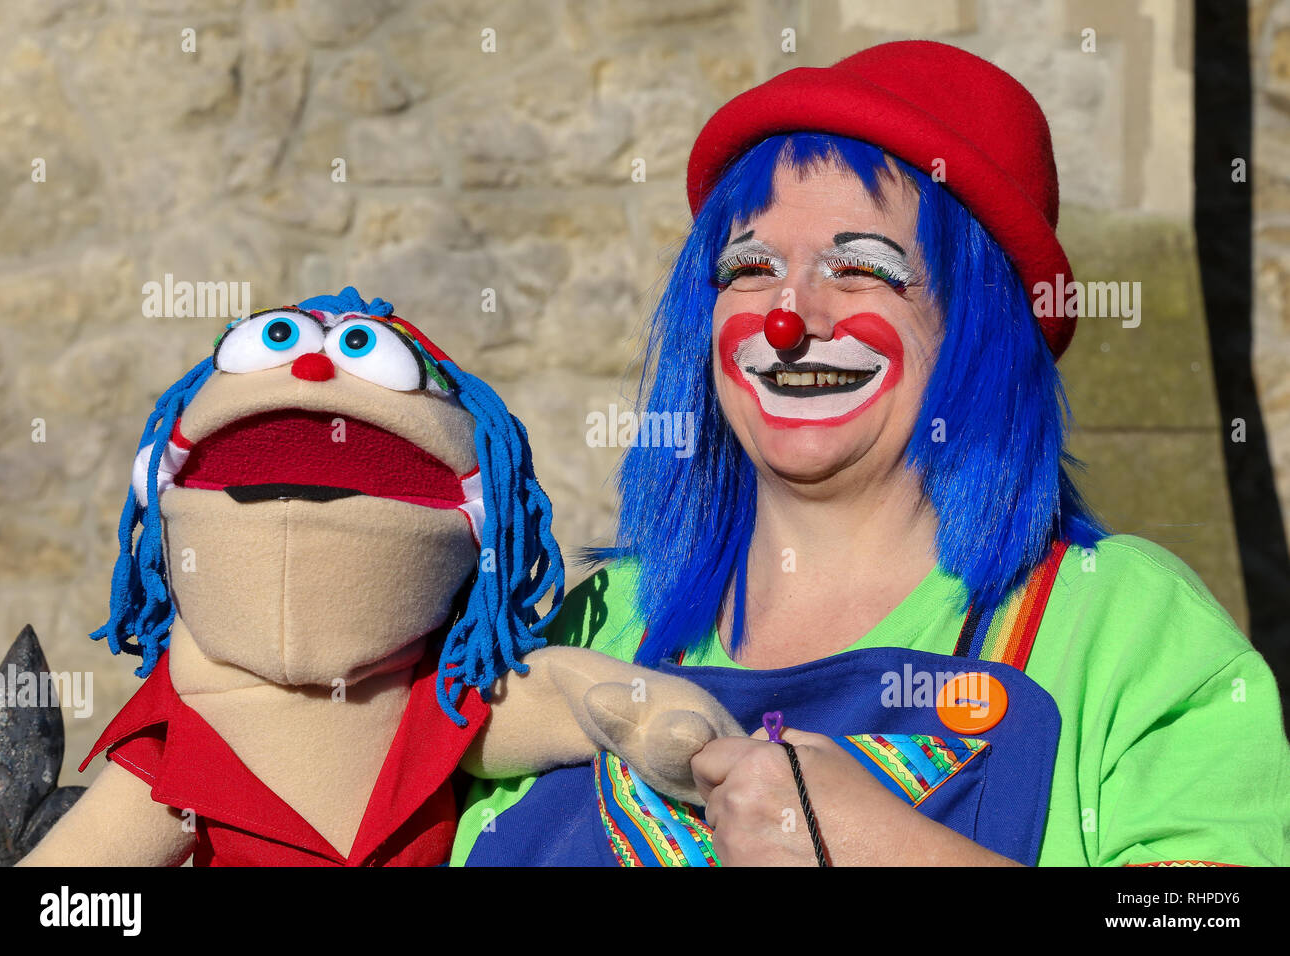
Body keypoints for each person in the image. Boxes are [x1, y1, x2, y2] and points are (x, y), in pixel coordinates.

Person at [451, 40, 1290, 866]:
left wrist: (894, 852)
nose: (788, 316)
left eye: (860, 267)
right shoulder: (595, 624)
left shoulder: (1127, 627)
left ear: (977, 327)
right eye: (750, 265)